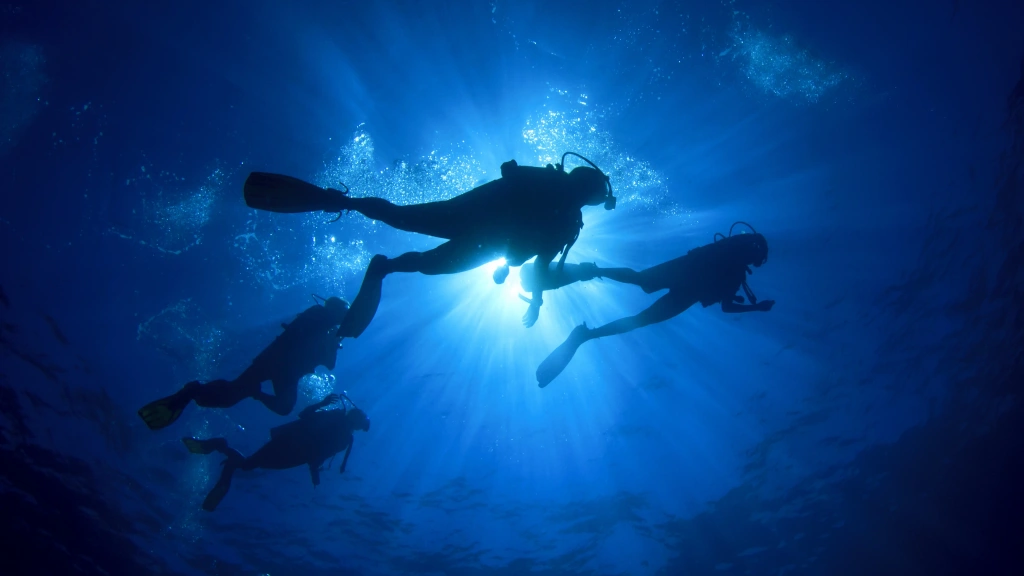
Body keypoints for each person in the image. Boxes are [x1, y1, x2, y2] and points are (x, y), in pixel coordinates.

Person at [243, 152, 616, 336]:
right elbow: (539, 266)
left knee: (416, 238)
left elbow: (510, 178)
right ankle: (357, 224)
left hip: (479, 227)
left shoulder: (562, 210)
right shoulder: (565, 216)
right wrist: (535, 301)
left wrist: (534, 297)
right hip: (483, 233)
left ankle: (350, 214)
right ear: (594, 197)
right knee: (419, 244)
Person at [535, 223, 776, 388]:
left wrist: (755, 307)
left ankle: (588, 317)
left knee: (642, 297)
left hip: (686, 278)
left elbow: (726, 306)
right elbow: (728, 307)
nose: (755, 263)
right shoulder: (734, 268)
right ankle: (588, 325)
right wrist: (756, 307)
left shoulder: (734, 269)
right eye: (758, 259)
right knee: (642, 301)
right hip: (688, 280)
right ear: (754, 253)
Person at [137, 296, 349, 430]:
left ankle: (200, 391)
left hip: (282, 367)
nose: (344, 319)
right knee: (234, 396)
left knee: (275, 405)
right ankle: (195, 390)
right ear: (338, 311)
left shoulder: (324, 324)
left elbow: (327, 361)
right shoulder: (321, 318)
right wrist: (335, 339)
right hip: (276, 362)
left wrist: (335, 340)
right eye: (344, 314)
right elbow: (328, 361)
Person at [182, 393, 371, 511]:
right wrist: (314, 473)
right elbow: (317, 450)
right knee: (248, 465)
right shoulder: (339, 428)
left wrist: (322, 404)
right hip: (290, 449)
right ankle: (222, 449)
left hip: (290, 449)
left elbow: (317, 449)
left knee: (248, 465)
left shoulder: (341, 433)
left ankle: (223, 451)